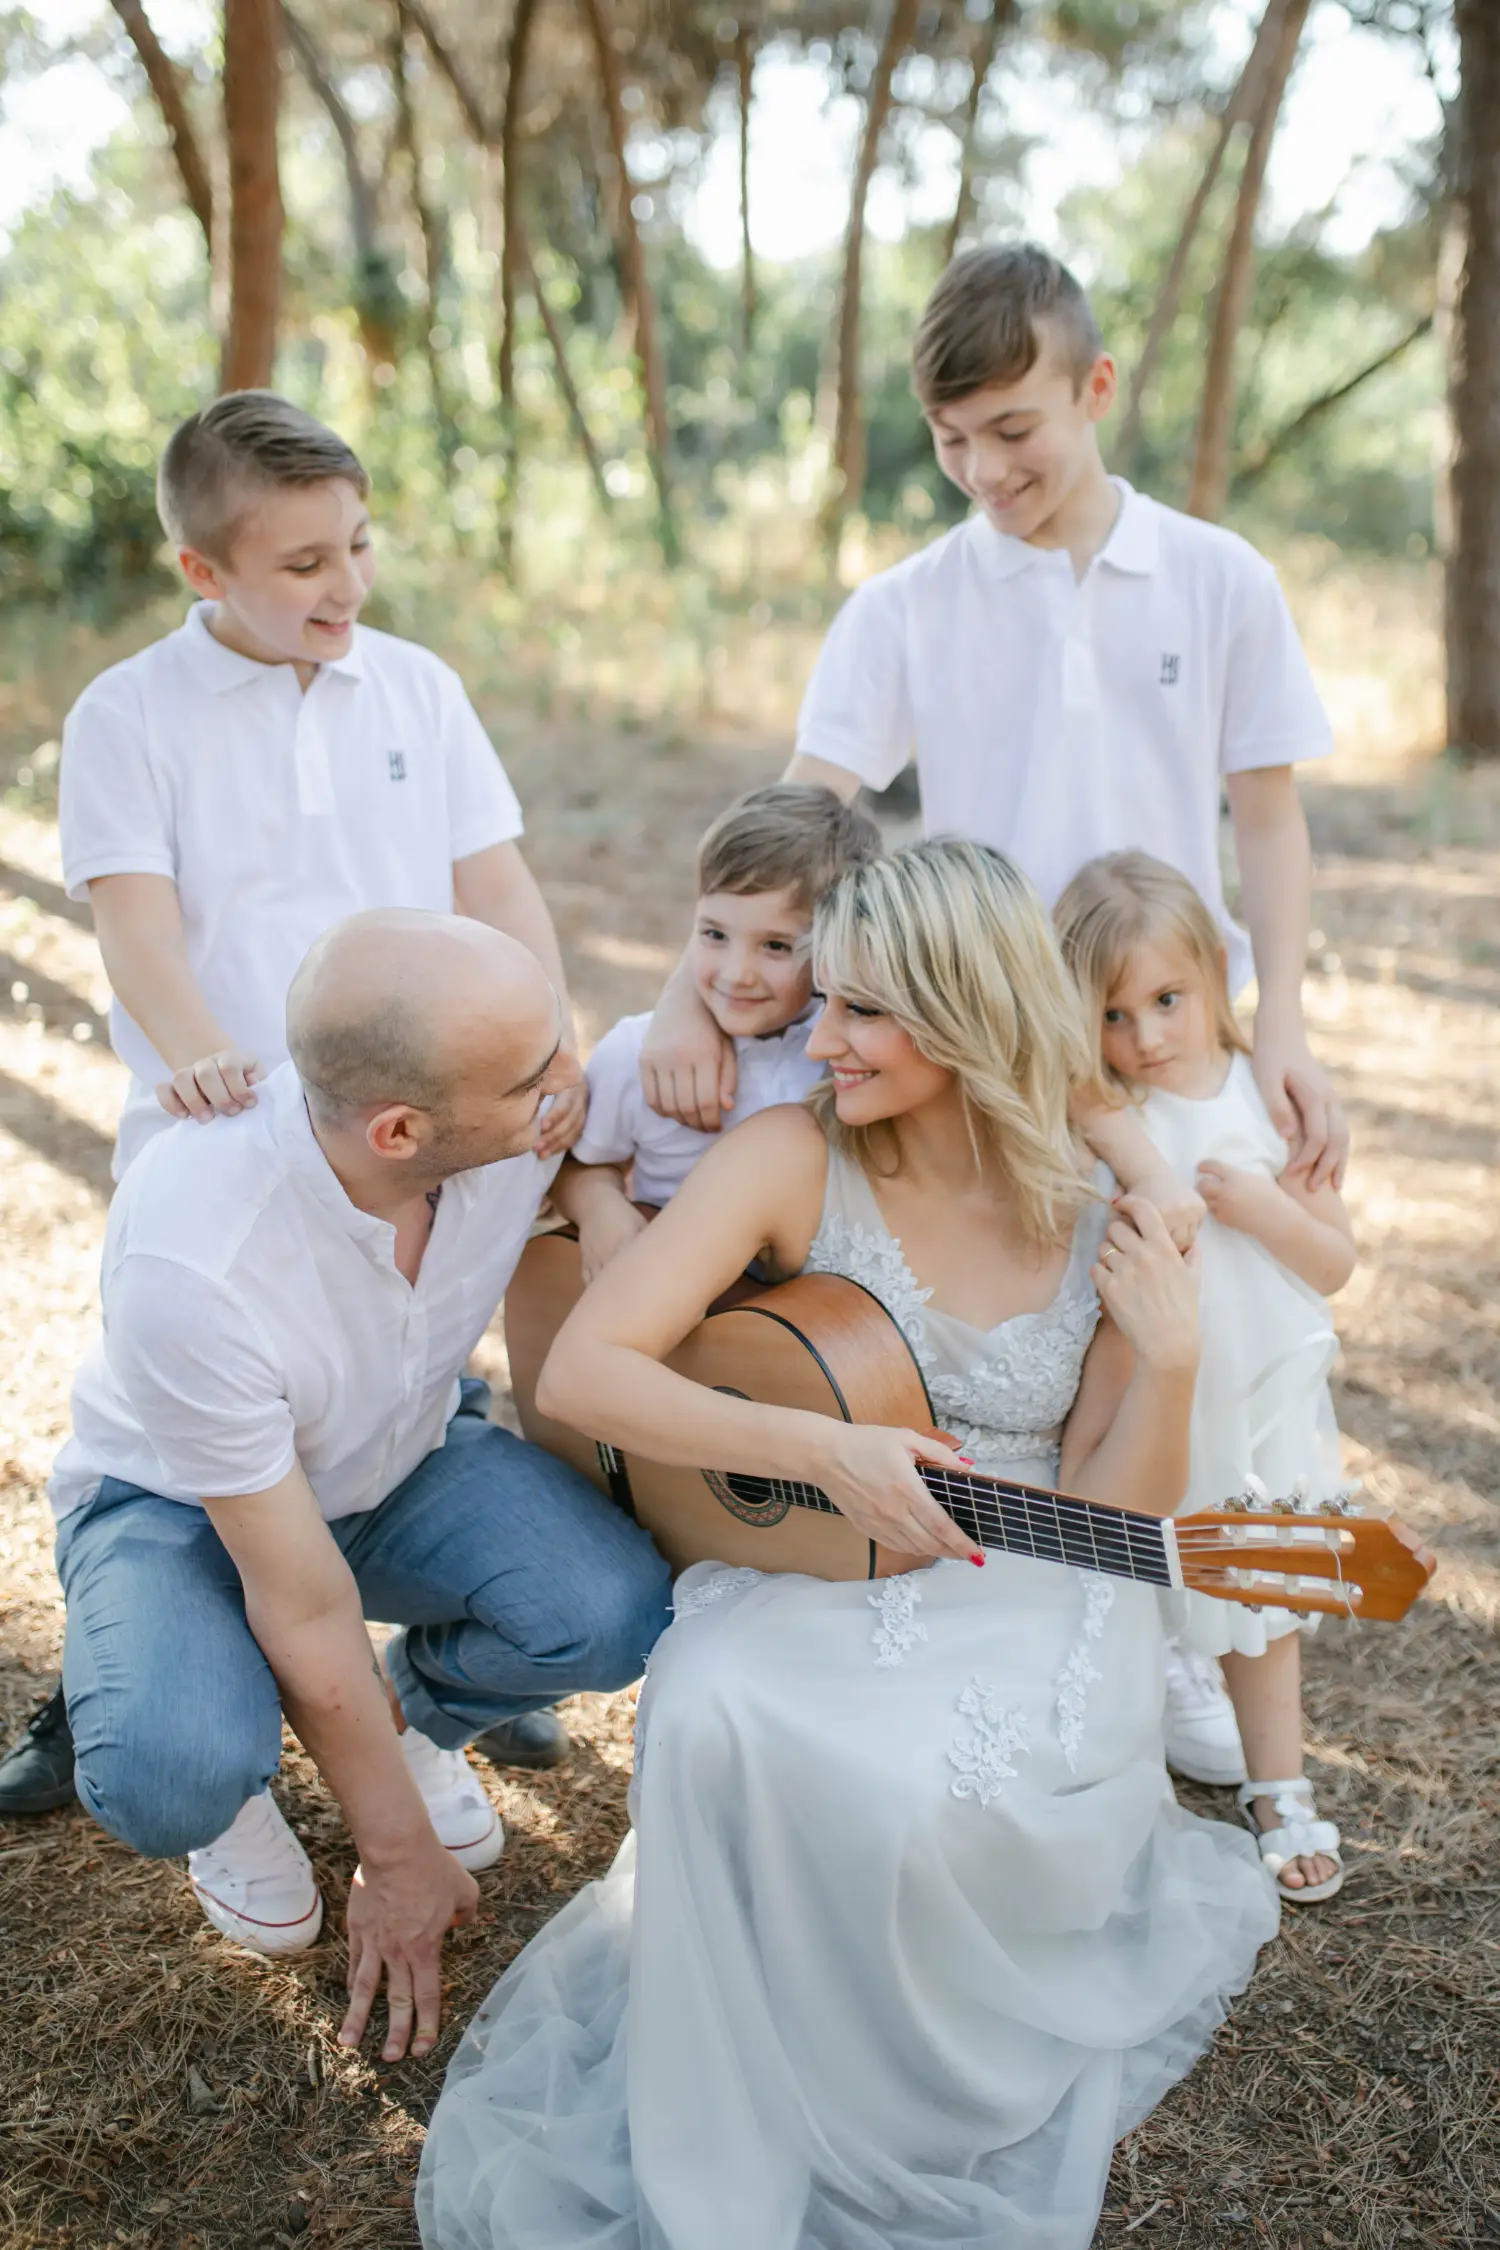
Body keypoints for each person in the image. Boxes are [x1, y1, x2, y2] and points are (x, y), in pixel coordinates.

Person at [417, 842, 1279, 2250]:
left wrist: (1172, 1364)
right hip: (821, 1540)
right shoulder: (787, 1154)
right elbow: (586, 1372)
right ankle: (743, 2099)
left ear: (962, 1006)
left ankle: (903, 2083)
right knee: (715, 1703)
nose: (815, 1040)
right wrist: (827, 1449)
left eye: (861, 1011)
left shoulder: (1102, 1198)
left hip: (1039, 1575)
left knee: (912, 1788)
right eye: (825, 1002)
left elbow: (1112, 1520)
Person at [636, 240, 1350, 1785]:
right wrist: (681, 995)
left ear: (1095, 389)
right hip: (987, 1041)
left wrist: (1279, 1019)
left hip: (1166, 1030)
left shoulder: (1222, 578)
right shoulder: (903, 606)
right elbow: (800, 812)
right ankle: (1116, 1622)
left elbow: (1271, 822)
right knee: (1077, 1329)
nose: (982, 469)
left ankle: (1188, 1641)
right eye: (953, 440)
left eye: (1013, 430)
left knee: (1210, 1330)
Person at [1, 391, 588, 1817]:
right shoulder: (131, 711)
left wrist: (548, 1031)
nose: (346, 586)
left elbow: (493, 881)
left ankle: (451, 1659)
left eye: (358, 547)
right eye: (304, 563)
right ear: (205, 571)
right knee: (221, 1411)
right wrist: (204, 1052)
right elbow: (135, 921)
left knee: (408, 1380)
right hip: (240, 1127)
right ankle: (135, 1666)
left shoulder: (415, 688)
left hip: (419, 1114)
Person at [45, 911, 670, 2050]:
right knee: (166, 1771)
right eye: (538, 1076)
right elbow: (302, 1594)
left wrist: (593, 1194)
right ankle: (227, 1770)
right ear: (400, 1131)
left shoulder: (498, 1127)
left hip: (398, 1459)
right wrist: (394, 1856)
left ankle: (404, 1717)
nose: (568, 1086)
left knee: (613, 1609)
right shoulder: (197, 1261)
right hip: (174, 1508)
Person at [1056, 851, 1355, 1904]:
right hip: (1147, 1403)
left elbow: (1334, 1263)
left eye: (1167, 1000)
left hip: (1260, 1409)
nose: (1144, 1035)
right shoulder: (1098, 1117)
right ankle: (1111, 1783)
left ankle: (1279, 1787)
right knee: (1127, 1596)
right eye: (1113, 1013)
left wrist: (1266, 1208)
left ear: (1214, 976)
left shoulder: (1261, 1096)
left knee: (1260, 1608)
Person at [560, 783, 880, 1279]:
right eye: (714, 934)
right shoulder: (635, 1052)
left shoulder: (848, 1058)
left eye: (775, 946)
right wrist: (601, 1209)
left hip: (802, 1329)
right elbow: (577, 1165)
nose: (737, 973)